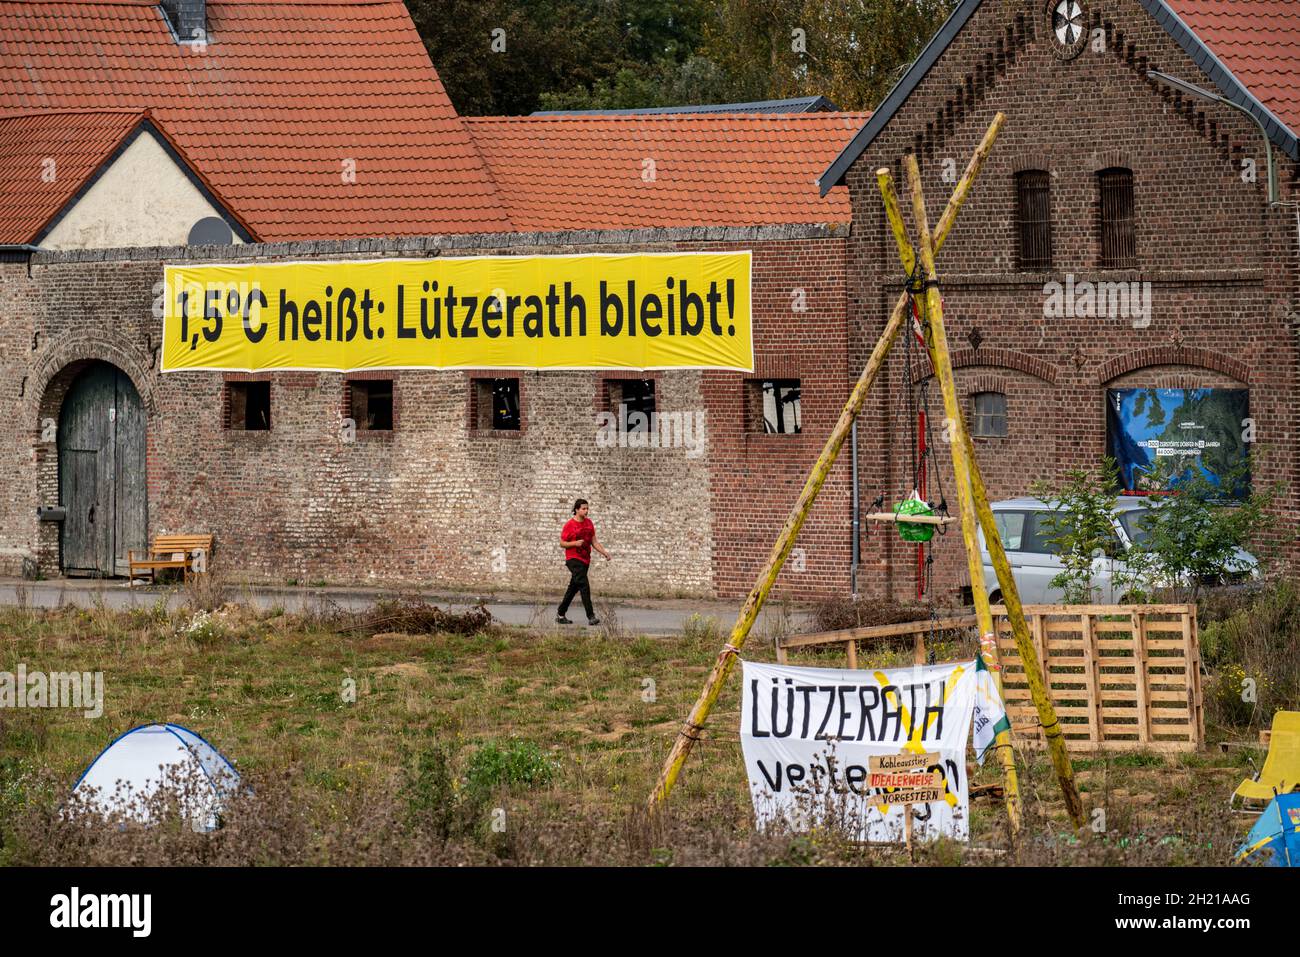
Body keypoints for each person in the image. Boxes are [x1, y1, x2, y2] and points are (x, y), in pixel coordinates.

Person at [556, 498, 610, 625]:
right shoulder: (570, 525)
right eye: (583, 508)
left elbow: (594, 542)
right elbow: (562, 543)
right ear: (576, 510)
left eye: (587, 508)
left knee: (573, 588)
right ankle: (591, 616)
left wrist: (604, 553)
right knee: (584, 586)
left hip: (585, 560)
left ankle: (560, 614)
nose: (586, 511)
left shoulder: (589, 523)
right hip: (573, 559)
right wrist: (575, 543)